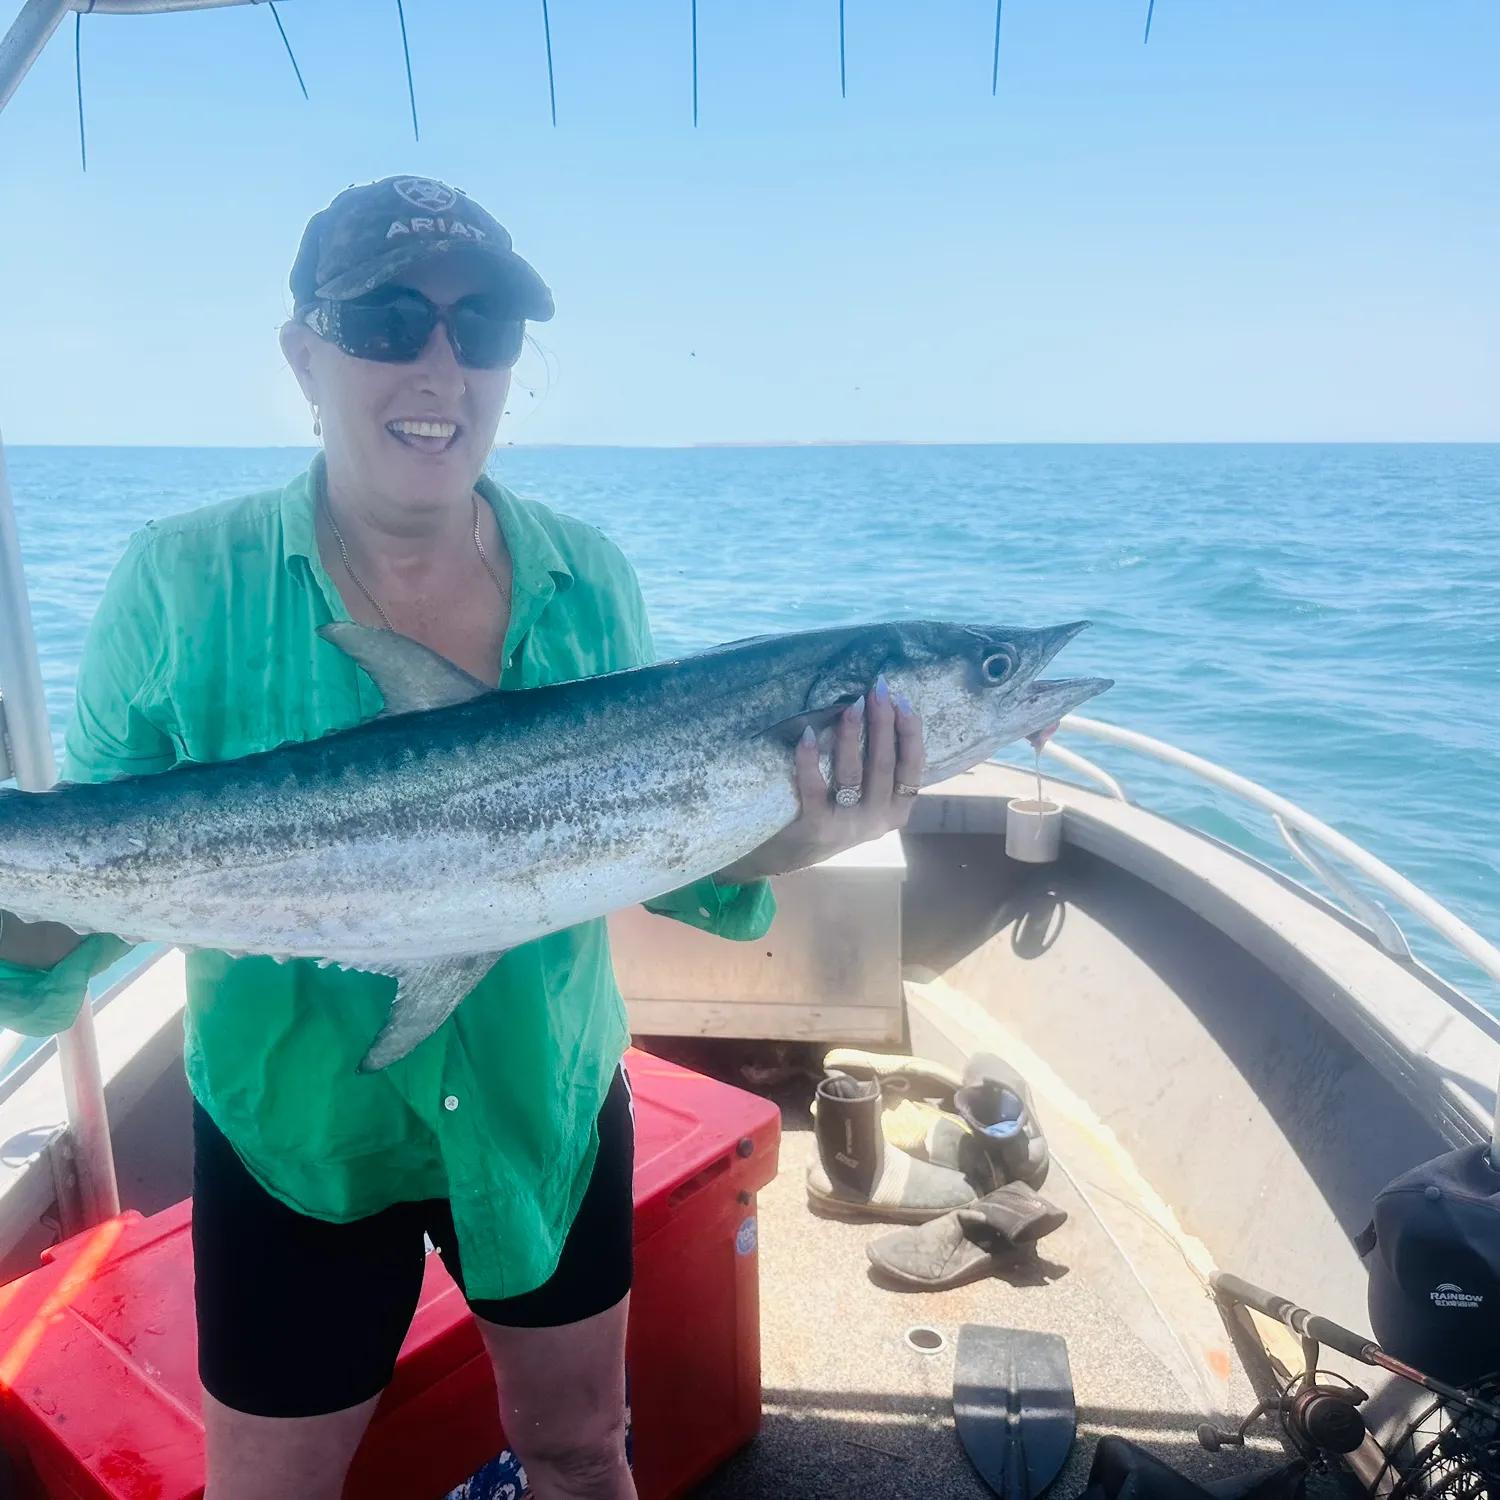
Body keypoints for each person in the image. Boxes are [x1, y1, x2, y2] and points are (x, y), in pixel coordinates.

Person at [0, 176, 927, 1500]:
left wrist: (801, 829)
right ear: (301, 352)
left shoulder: (588, 576)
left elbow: (674, 849)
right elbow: (67, 907)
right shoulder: (177, 578)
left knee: (577, 1450)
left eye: (481, 329)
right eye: (385, 318)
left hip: (538, 1107)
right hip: (294, 1134)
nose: (439, 361)